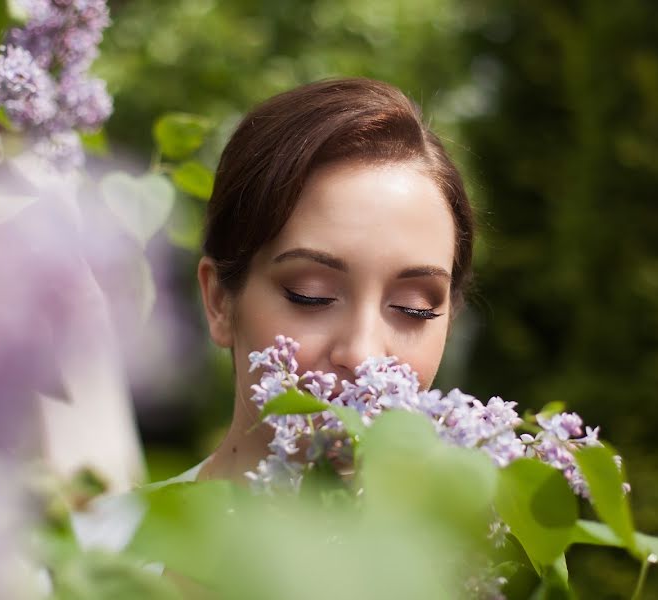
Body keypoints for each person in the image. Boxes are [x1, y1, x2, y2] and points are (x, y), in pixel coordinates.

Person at [195, 77, 474, 483]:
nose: (363, 356)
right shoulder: (103, 542)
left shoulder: (484, 544)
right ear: (220, 302)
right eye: (312, 296)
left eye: (413, 307)